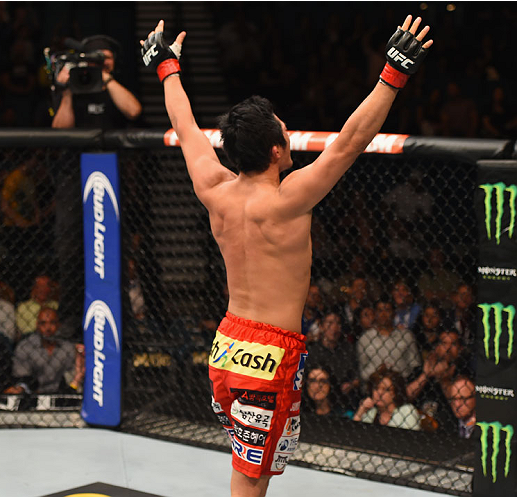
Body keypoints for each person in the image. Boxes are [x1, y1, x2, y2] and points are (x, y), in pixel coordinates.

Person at [141, 15, 432, 497]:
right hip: (270, 354)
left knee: (248, 468)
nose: (287, 127)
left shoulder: (214, 189)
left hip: (227, 343)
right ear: (277, 150)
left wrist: (166, 69)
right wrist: (393, 74)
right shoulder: (287, 199)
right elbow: (350, 142)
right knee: (251, 480)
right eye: (282, 126)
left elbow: (185, 126)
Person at [51, 35, 142, 129]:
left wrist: (107, 79)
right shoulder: (73, 86)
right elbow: (61, 130)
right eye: (96, 59)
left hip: (113, 142)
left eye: (107, 57)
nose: (103, 62)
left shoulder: (121, 83)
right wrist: (67, 92)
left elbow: (134, 112)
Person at [11, 307, 84, 394]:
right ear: (37, 325)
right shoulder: (25, 347)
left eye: (52, 323)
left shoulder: (68, 348)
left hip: (62, 395)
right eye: (43, 323)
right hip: (32, 395)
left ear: (58, 325)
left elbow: (72, 380)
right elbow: (22, 378)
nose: (48, 328)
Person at [357, 299, 421, 384]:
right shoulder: (365, 338)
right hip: (374, 386)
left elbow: (415, 365)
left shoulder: (406, 336)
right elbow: (362, 369)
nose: (383, 314)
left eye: (387, 310)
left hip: (402, 386)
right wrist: (376, 375)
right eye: (380, 310)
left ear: (394, 314)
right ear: (375, 314)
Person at [353, 366, 421, 431]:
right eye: (376, 388)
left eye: (386, 390)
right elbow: (354, 436)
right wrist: (360, 412)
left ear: (395, 393)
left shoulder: (407, 411)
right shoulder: (370, 413)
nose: (379, 393)